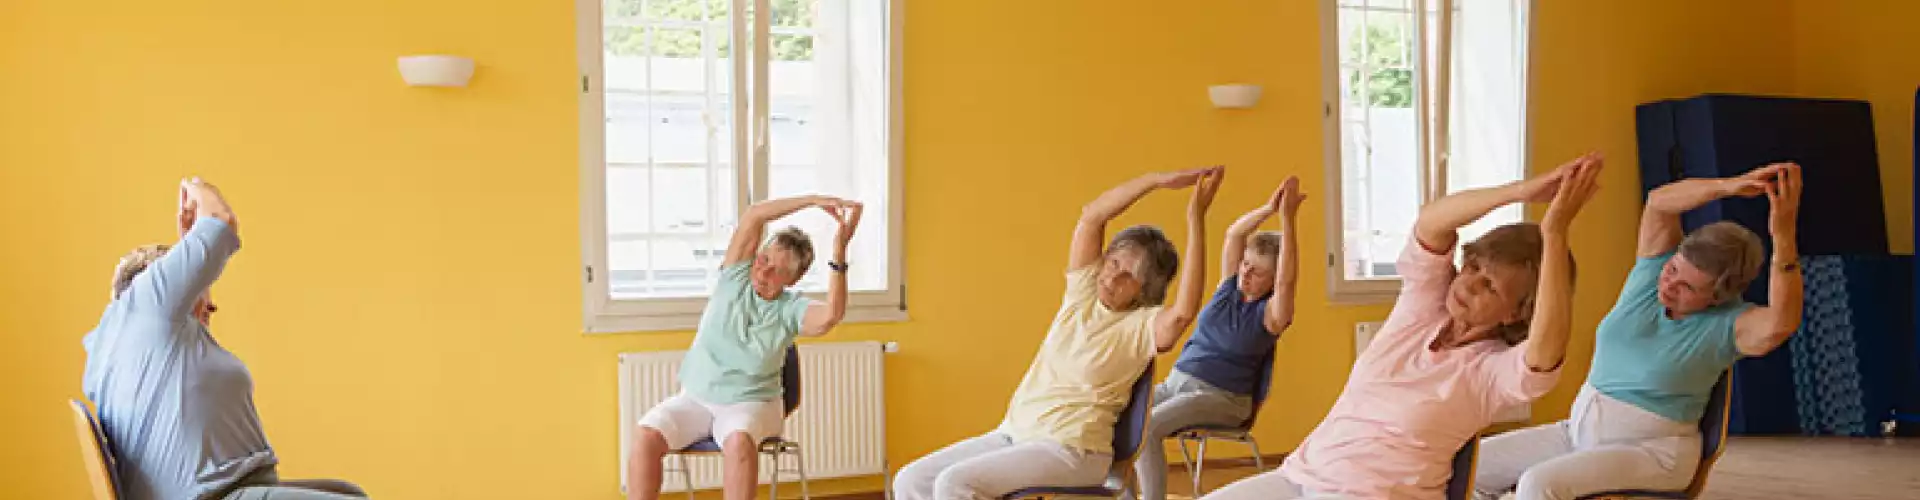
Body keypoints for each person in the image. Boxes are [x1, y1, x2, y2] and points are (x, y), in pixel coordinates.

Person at [1202, 154, 1603, 500]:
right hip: (1302, 475)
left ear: (1515, 314)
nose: (1469, 284)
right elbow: (1431, 223)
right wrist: (1519, 192)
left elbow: (1546, 350)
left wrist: (1554, 234)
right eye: (1475, 266)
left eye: (1491, 287)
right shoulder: (1424, 306)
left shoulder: (1492, 372)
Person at [1473, 163, 1804, 500]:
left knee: (1538, 484)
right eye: (1673, 268)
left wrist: (1783, 236)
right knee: (1476, 466)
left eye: (1687, 286)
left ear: (1718, 296)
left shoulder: (1730, 326)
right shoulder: (1650, 273)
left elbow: (1782, 321)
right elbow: (1659, 201)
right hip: (1578, 433)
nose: (1669, 283)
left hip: (1654, 452)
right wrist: (1729, 185)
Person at [893, 166, 1224, 500]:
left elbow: (1183, 312)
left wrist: (1195, 219)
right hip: (1015, 433)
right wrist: (1154, 181)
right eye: (1112, 263)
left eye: (1127, 275)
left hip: (1073, 449)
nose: (1111, 278)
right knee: (911, 480)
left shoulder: (1142, 325)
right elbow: (1092, 218)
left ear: (1145, 289)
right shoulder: (1082, 294)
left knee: (954, 484)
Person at [82, 178, 369, 500]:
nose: (209, 309)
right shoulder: (148, 303)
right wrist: (197, 188)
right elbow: (220, 221)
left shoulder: (118, 348)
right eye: (201, 300)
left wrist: (191, 251)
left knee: (350, 493)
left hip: (230, 488)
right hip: (214, 496)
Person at [626, 194, 863, 500]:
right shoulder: (735, 274)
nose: (763, 272)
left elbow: (832, 315)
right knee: (646, 435)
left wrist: (839, 250)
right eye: (764, 259)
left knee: (738, 442)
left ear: (791, 280)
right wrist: (813, 201)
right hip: (696, 397)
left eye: (777, 270)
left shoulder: (790, 310)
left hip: (752, 404)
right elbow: (755, 215)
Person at [1123, 176, 1307, 500]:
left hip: (1223, 399)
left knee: (1147, 428)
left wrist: (1287, 220)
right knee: (1124, 416)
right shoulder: (1228, 286)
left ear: (1273, 280)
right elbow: (1235, 234)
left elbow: (1289, 279)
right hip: (1178, 383)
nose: (1246, 274)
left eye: (1257, 272)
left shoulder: (1272, 314)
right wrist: (1268, 208)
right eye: (1245, 265)